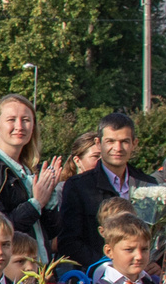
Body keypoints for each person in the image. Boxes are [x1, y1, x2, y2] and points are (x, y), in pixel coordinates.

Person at [0, 94, 66, 264]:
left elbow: (51, 231)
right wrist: (35, 204)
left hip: (39, 270)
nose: (19, 126)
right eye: (11, 119)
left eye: (26, 120)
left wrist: (49, 198)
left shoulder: (28, 169)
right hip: (9, 273)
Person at [55, 112, 142, 270]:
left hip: (141, 275)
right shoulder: (78, 186)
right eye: (110, 141)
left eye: (125, 142)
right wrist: (108, 266)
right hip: (96, 276)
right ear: (98, 143)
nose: (118, 148)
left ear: (134, 143)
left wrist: (154, 261)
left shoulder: (148, 184)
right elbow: (69, 241)